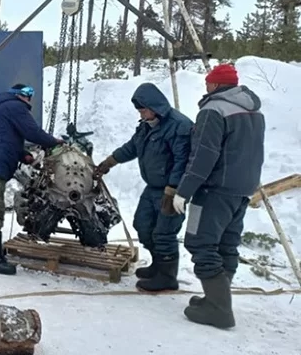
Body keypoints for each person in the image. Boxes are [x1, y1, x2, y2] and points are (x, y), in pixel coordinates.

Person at [172, 64, 265, 329]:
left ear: (215, 85)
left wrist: (184, 191)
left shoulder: (214, 110)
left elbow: (203, 154)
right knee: (226, 243)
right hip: (242, 189)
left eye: (208, 83)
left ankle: (219, 308)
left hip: (213, 190)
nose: (205, 86)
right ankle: (217, 299)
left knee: (200, 243)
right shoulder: (253, 109)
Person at [94, 83, 193, 292]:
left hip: (171, 191)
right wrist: (109, 162)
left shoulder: (179, 126)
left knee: (164, 233)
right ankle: (158, 264)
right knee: (143, 225)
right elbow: (132, 147)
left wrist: (173, 189)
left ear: (155, 106)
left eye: (143, 110)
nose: (141, 114)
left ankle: (167, 277)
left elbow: (182, 161)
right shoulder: (147, 125)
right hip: (152, 188)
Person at [0, 84, 64, 275]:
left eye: (31, 94)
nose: (29, 98)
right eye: (26, 94)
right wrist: (53, 142)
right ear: (17, 95)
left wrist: (24, 156)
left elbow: (5, 138)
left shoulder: (1, 108)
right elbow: (32, 132)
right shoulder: (15, 107)